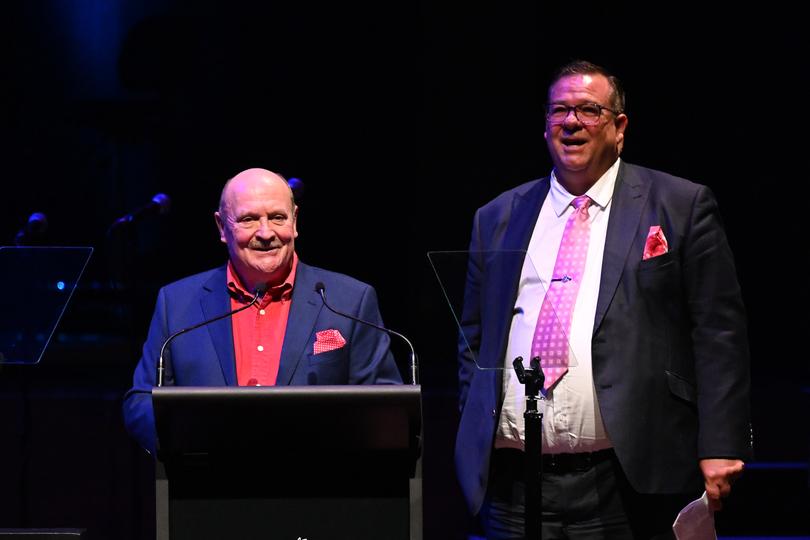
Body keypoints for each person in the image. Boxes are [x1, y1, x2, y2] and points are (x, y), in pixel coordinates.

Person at [455, 60, 751, 538]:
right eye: (559, 111)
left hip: (626, 479)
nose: (571, 122)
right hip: (514, 482)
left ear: (619, 127)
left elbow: (719, 334)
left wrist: (721, 440)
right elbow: (472, 337)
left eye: (589, 110)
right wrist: (476, 421)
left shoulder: (679, 204)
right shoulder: (498, 216)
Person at [124, 168, 402, 454]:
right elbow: (141, 401)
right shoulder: (177, 303)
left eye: (278, 217)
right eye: (249, 219)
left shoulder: (350, 301)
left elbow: (386, 407)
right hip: (207, 486)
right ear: (222, 227)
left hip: (319, 488)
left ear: (295, 221)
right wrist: (192, 443)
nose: (266, 233)